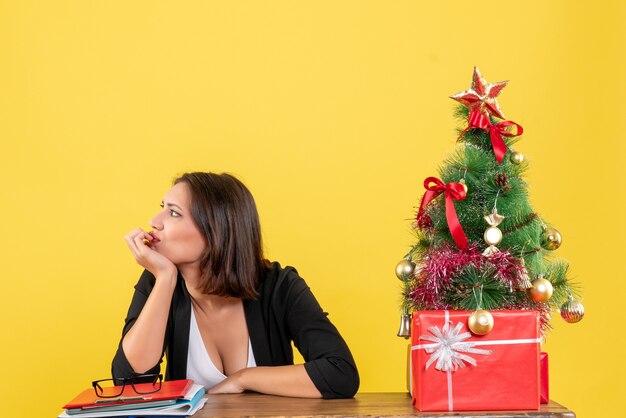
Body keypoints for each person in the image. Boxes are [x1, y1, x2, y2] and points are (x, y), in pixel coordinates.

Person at [111, 172, 359, 399]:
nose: (155, 221)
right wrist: (165, 279)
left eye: (174, 212)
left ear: (216, 230)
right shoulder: (158, 282)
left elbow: (340, 374)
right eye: (162, 208)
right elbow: (130, 385)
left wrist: (243, 378)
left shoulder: (279, 286)